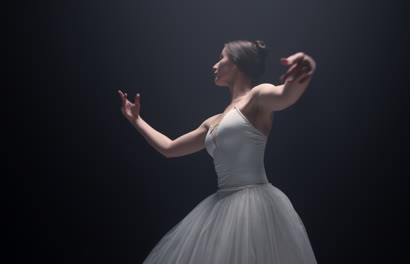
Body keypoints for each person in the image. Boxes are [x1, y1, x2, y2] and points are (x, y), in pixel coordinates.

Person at [118, 40, 317, 264]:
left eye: (221, 57)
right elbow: (169, 148)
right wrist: (137, 120)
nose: (214, 65)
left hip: (255, 204)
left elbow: (285, 96)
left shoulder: (257, 97)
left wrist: (306, 69)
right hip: (222, 205)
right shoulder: (212, 122)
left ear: (236, 62)